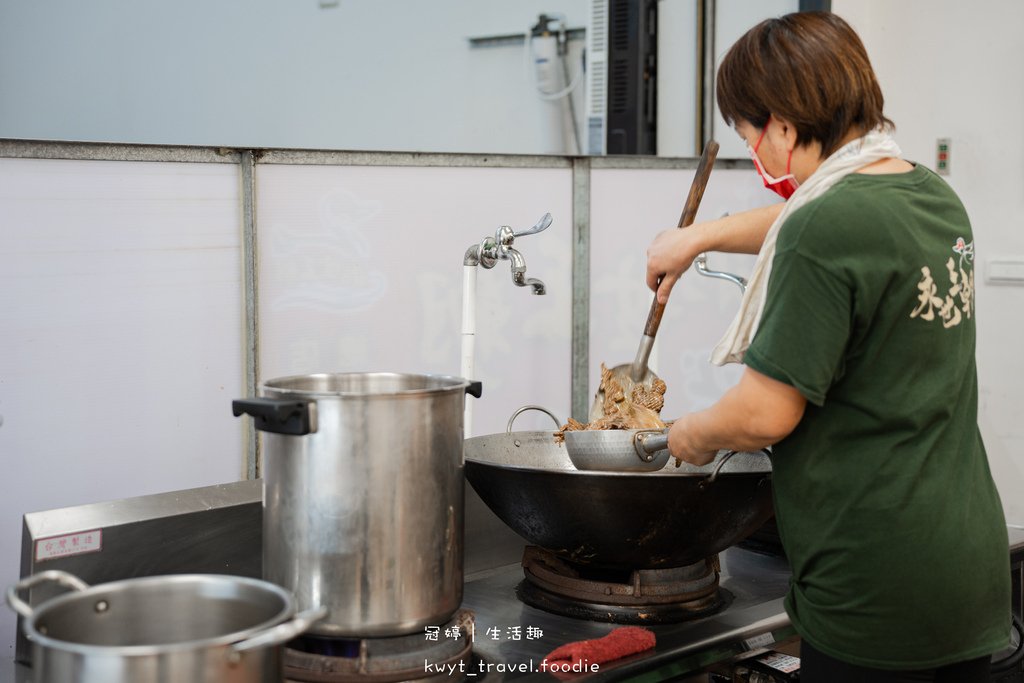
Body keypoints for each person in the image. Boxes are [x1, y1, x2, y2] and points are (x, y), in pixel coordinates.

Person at [645, 11, 1011, 682]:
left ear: (783, 125)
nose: (754, 152)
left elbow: (763, 414)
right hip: (963, 567)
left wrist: (688, 434)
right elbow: (816, 217)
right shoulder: (929, 196)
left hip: (873, 581)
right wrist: (700, 236)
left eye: (751, 134)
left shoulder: (823, 228)